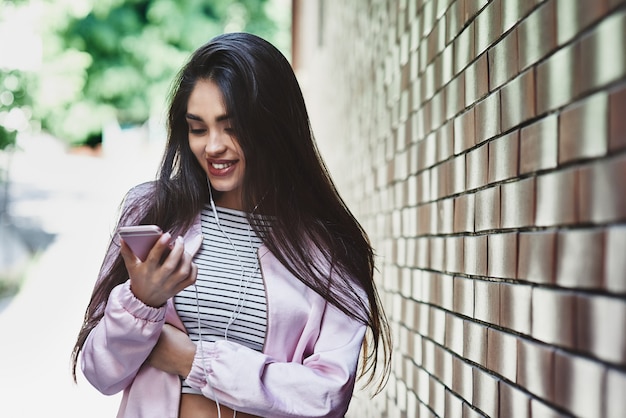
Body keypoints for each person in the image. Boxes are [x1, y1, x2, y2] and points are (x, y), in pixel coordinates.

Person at [71, 32, 391, 418]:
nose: (213, 146)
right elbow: (100, 374)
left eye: (231, 126)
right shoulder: (156, 210)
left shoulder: (328, 250)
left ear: (274, 125)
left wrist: (193, 361)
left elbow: (325, 396)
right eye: (198, 128)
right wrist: (143, 302)